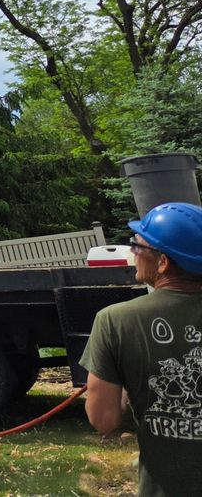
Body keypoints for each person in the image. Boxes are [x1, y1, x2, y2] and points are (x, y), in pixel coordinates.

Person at [80, 201, 202, 496]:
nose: (132, 252)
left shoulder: (115, 321)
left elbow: (103, 419)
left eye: (137, 245)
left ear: (163, 262)